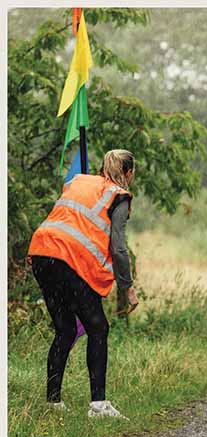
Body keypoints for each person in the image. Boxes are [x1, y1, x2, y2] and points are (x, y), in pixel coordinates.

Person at [28, 149, 139, 419]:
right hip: (68, 259)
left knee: (65, 329)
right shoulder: (118, 196)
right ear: (128, 173)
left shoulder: (79, 182)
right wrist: (128, 287)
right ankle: (98, 406)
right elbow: (119, 248)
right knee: (98, 327)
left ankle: (53, 402)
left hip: (42, 252)